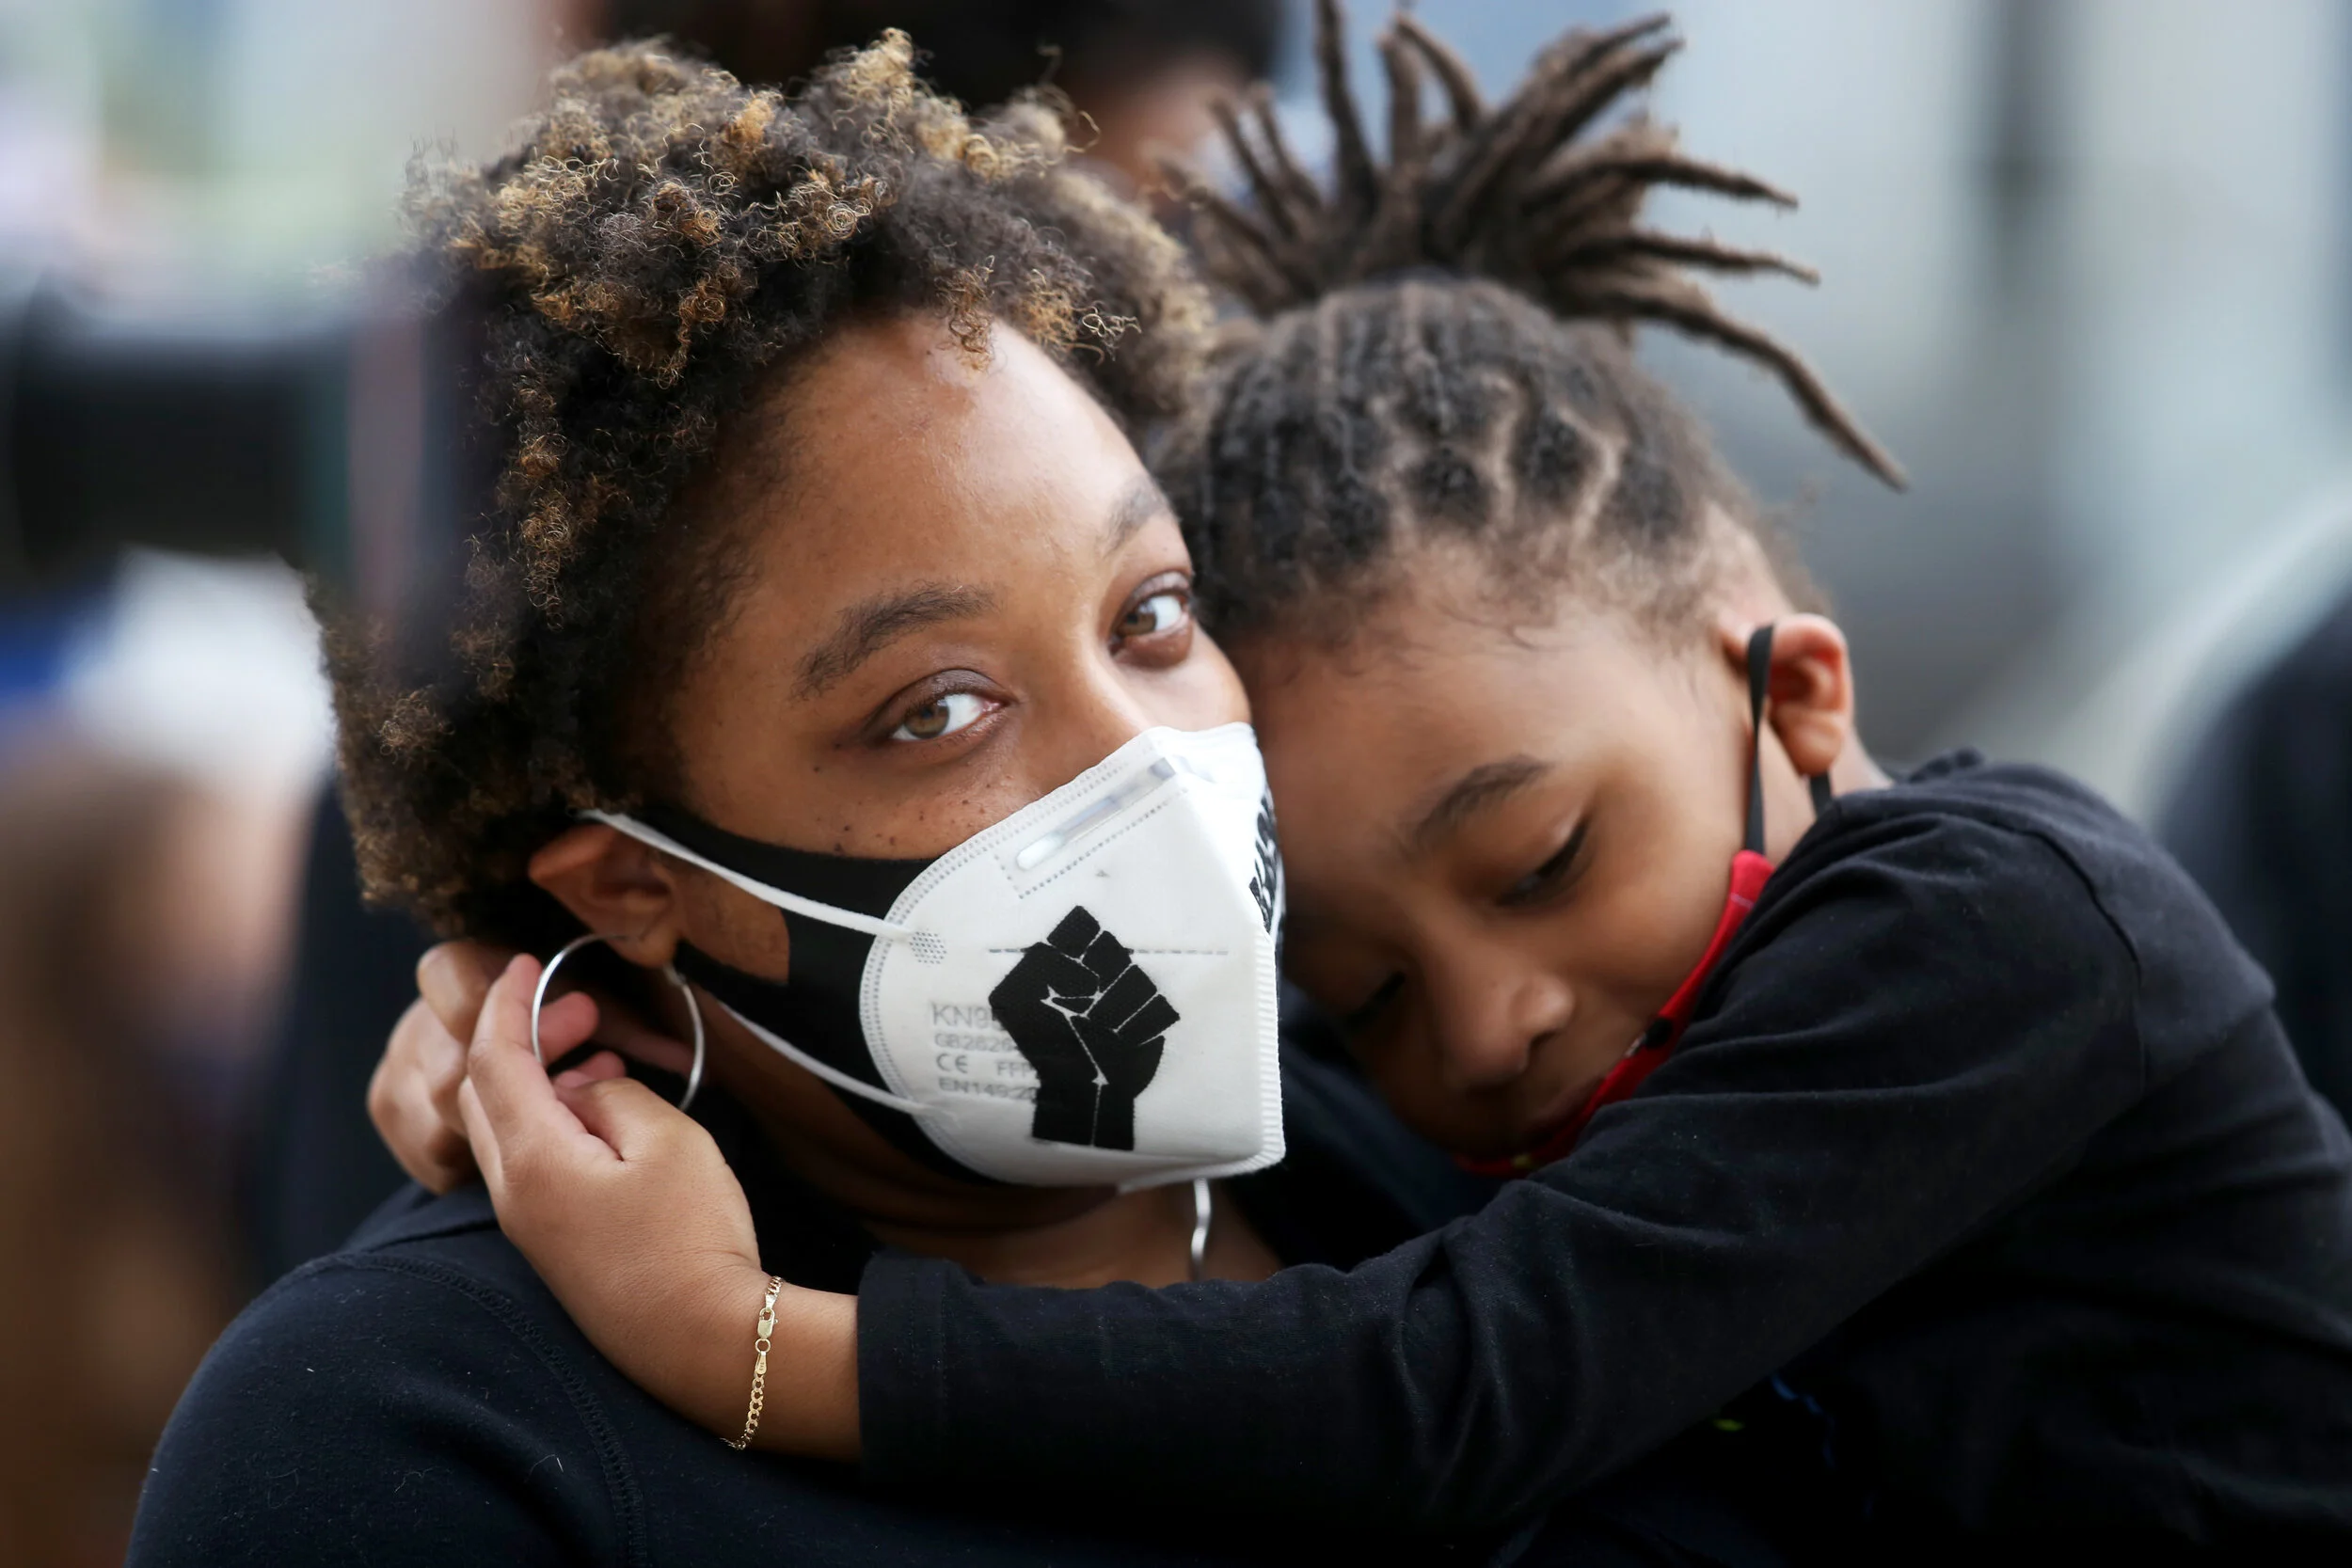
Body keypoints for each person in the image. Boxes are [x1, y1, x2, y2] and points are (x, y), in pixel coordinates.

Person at [380, 8, 2352, 1559]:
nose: (1488, 1021)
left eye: (1544, 853)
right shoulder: (1415, 1122)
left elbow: (1445, 1390)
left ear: (1795, 691)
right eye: (1363, 989)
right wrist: (546, 1002)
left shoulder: (1992, 935)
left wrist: (743, 1345)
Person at [133, 29, 1790, 1566]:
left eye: (1151, 615)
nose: (1136, 756)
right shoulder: (414, 1434)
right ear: (631, 884)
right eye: (937, 709)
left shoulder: (1465, 1116)